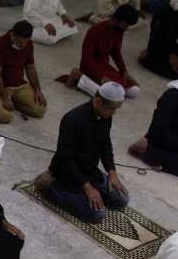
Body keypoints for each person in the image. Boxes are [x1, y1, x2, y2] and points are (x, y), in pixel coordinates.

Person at [45, 82, 131, 222]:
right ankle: (53, 189)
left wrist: (112, 172)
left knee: (121, 199)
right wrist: (87, 187)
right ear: (97, 101)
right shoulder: (73, 119)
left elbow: (105, 144)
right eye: (111, 109)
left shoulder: (105, 116)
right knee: (97, 214)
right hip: (67, 174)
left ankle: (86, 193)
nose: (113, 113)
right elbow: (64, 157)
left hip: (90, 171)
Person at [67, 6, 141, 99]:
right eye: (125, 24)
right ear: (117, 19)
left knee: (134, 90)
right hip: (90, 68)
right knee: (107, 97)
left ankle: (87, 83)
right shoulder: (95, 30)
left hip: (104, 67)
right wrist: (101, 77)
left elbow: (116, 52)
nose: (126, 28)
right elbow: (87, 59)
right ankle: (78, 75)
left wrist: (124, 71)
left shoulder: (119, 31)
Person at [0, 20, 47, 124]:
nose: (22, 45)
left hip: (19, 85)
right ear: (12, 34)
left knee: (40, 109)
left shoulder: (29, 45)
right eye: (19, 42)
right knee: (4, 116)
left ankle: (14, 102)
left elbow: (30, 67)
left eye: (25, 42)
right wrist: (4, 97)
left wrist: (37, 89)